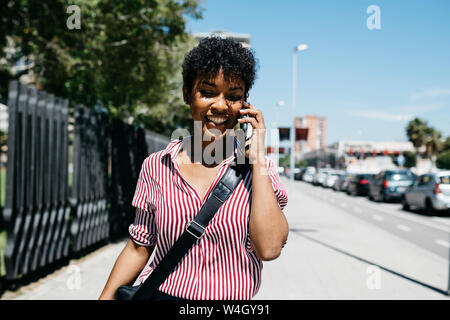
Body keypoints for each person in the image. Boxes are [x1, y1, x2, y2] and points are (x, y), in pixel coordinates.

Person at [99, 36, 289, 300]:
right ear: (187, 94)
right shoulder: (157, 166)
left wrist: (257, 163)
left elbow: (269, 249)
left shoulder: (259, 171)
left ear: (245, 105)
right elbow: (139, 247)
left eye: (233, 97)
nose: (221, 106)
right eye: (208, 92)